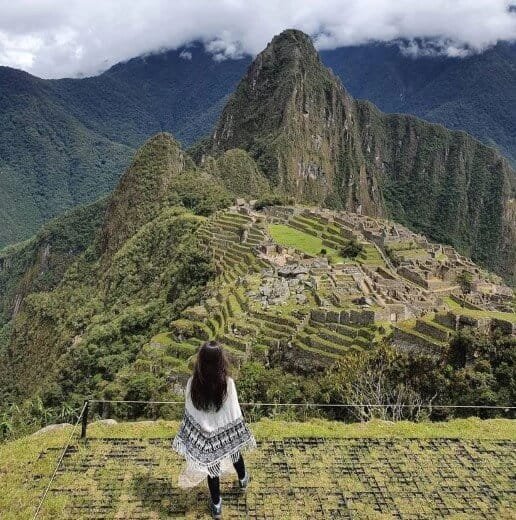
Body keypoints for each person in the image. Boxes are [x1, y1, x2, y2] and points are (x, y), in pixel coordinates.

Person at [172, 340, 256, 519]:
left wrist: (200, 430)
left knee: (212, 469)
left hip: (204, 433)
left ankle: (217, 504)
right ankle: (243, 479)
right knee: (235, 453)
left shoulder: (193, 383)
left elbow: (191, 410)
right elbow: (233, 411)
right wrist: (233, 431)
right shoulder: (227, 383)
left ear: (201, 360)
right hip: (223, 432)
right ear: (221, 360)